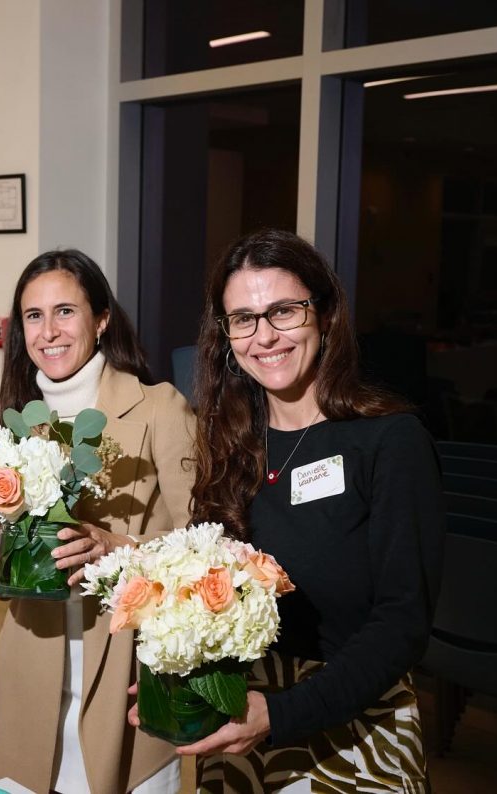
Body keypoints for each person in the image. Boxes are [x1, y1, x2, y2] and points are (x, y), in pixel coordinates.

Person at [178, 229, 443, 791]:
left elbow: (403, 622)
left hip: (356, 727)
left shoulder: (390, 442)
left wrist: (283, 714)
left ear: (324, 315)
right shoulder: (228, 445)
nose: (264, 336)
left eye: (284, 311)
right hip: (240, 719)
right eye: (243, 319)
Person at [0, 249, 196, 793]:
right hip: (32, 666)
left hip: (125, 672)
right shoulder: (14, 418)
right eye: (33, 316)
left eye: (65, 312)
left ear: (101, 320)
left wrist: (119, 546)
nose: (48, 331)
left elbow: (208, 545)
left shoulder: (159, 408)